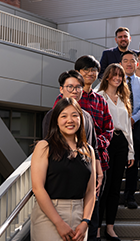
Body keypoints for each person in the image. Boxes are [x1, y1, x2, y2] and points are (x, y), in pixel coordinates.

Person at [53, 55, 114, 241]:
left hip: (96, 159)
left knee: (93, 203)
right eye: (85, 70)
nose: (90, 73)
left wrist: (97, 146)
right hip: (67, 162)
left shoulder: (100, 100)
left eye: (93, 70)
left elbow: (108, 128)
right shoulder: (63, 101)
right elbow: (55, 131)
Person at [31, 97, 96, 241]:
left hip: (80, 214)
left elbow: (91, 191)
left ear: (81, 119)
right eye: (64, 116)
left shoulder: (88, 150)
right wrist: (59, 223)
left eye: (74, 115)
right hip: (49, 214)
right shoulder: (44, 146)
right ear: (56, 120)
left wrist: (86, 221)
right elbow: (37, 188)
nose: (70, 120)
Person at [97, 63, 134, 241]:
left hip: (121, 143)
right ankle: (96, 228)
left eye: (120, 75)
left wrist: (131, 152)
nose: (117, 78)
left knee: (114, 188)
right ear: (107, 76)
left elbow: (128, 128)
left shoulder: (123, 98)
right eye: (114, 75)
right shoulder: (99, 96)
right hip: (105, 142)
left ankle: (110, 228)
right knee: (102, 187)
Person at [121, 50, 140, 207]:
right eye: (125, 60)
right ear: (121, 64)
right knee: (120, 160)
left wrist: (133, 118)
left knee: (134, 162)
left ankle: (130, 196)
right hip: (118, 127)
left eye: (132, 60)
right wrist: (124, 120)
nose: (129, 63)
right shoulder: (116, 82)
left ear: (137, 63)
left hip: (137, 125)